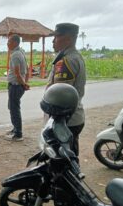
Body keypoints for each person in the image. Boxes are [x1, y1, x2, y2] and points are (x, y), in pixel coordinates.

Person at [47, 23, 86, 156]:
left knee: (61, 162)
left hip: (64, 122)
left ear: (68, 39)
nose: (53, 41)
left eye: (57, 37)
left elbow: (59, 98)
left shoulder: (66, 61)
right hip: (74, 118)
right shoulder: (75, 56)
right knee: (71, 158)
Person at [5, 34, 30, 141]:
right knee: (12, 107)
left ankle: (18, 134)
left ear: (15, 42)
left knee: (14, 109)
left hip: (15, 86)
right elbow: (27, 70)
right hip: (18, 85)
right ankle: (16, 128)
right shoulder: (21, 52)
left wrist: (24, 84)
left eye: (9, 41)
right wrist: (25, 83)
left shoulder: (15, 55)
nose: (7, 44)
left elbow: (17, 73)